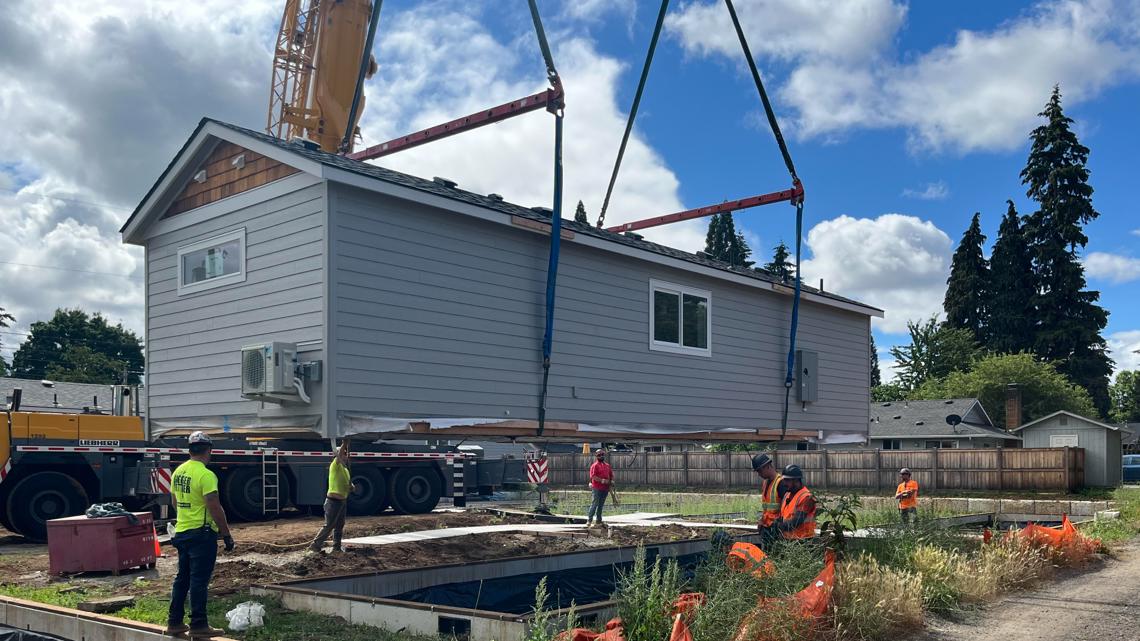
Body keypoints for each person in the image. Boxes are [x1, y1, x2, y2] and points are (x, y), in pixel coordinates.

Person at [166, 431, 233, 639]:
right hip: (202, 535)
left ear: (189, 449)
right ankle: (199, 624)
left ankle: (175, 622)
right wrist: (226, 534)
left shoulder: (179, 471)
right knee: (199, 581)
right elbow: (215, 507)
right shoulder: (206, 475)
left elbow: (175, 502)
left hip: (183, 531)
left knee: (182, 579)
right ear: (209, 450)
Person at [310, 441, 358, 553]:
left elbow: (348, 484)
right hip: (333, 502)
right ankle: (315, 545)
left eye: (346, 454)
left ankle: (336, 547)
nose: (345, 456)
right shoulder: (335, 465)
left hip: (342, 502)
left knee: (339, 525)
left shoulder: (345, 470)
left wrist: (352, 487)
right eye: (343, 453)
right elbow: (339, 454)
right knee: (329, 525)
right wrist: (345, 444)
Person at [751, 453, 785, 550]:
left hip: (776, 529)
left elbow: (785, 509)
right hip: (767, 528)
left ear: (767, 466)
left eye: (760, 471)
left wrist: (781, 529)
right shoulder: (766, 482)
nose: (759, 474)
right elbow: (766, 507)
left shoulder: (781, 483)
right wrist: (762, 521)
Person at [777, 464, 816, 540]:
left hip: (803, 542)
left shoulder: (807, 497)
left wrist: (777, 526)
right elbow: (783, 516)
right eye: (784, 480)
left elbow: (796, 522)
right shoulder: (787, 495)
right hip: (788, 540)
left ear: (796, 480)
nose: (784, 483)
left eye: (787, 480)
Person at [585, 449, 613, 527]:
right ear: (596, 456)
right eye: (599, 455)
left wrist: (612, 481)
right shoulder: (594, 466)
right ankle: (589, 520)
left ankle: (598, 520)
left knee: (601, 505)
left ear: (604, 455)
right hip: (597, 488)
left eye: (602, 455)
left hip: (605, 488)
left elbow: (611, 475)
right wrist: (602, 480)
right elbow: (593, 476)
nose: (601, 456)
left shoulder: (607, 466)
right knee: (595, 503)